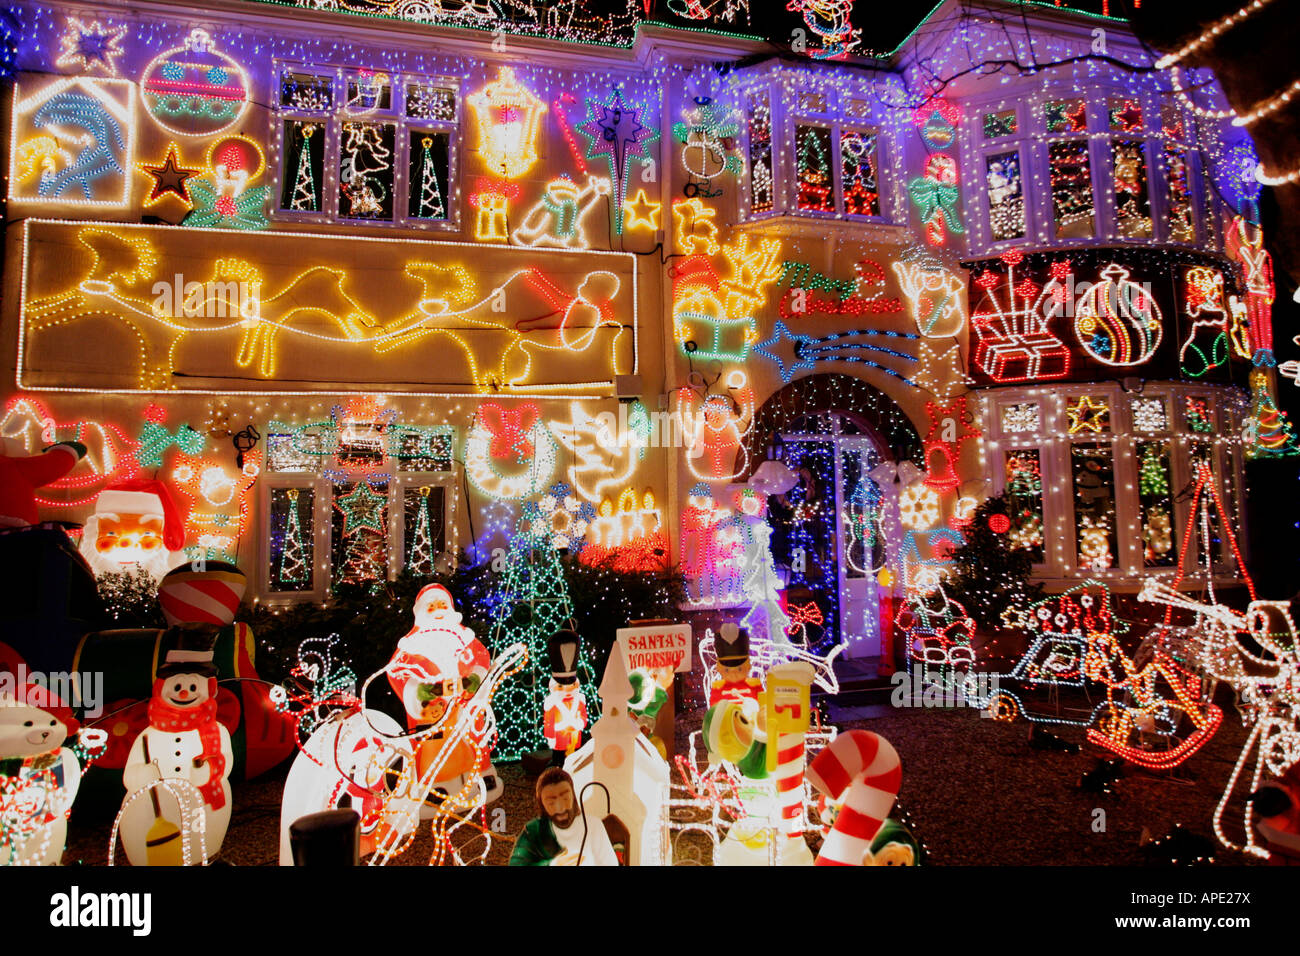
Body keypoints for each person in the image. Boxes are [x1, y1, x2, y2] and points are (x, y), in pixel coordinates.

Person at [509, 768, 617, 866]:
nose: (560, 808)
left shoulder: (593, 826)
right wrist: (553, 864)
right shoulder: (533, 831)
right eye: (551, 802)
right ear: (542, 805)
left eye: (565, 798)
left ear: (574, 797)